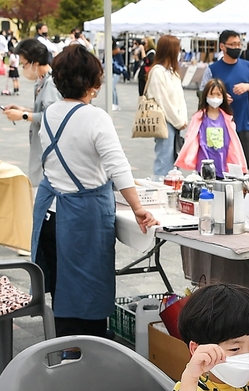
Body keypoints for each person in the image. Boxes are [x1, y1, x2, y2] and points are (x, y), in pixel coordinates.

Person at [31, 44, 158, 338]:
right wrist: (138, 207)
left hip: (50, 213)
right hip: (81, 218)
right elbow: (118, 167)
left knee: (62, 288)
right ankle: (87, 354)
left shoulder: (50, 112)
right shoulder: (95, 117)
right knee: (87, 291)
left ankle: (63, 346)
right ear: (93, 82)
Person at [201, 30, 249, 169]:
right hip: (219, 126)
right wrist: (218, 96)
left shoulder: (248, 67)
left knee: (244, 165)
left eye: (238, 44)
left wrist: (247, 87)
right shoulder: (212, 69)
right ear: (222, 46)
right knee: (222, 166)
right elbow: (202, 93)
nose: (236, 48)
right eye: (232, 44)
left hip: (243, 124)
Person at [3, 39, 61, 186]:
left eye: (24, 64)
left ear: (35, 63)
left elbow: (51, 116)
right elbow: (42, 110)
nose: (23, 68)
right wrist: (23, 110)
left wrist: (22, 116)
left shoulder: (51, 84)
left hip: (49, 147)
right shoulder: (41, 81)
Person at [176, 79, 247, 178]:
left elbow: (233, 143)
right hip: (204, 166)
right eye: (212, 94)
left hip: (223, 165)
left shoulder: (227, 118)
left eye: (218, 94)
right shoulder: (198, 118)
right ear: (205, 96)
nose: (215, 98)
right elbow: (191, 138)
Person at [146, 35, 187, 178]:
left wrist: (182, 119)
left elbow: (180, 98)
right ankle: (159, 192)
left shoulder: (173, 72)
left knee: (174, 163)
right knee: (164, 162)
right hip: (165, 122)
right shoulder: (157, 72)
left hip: (176, 123)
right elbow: (163, 101)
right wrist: (179, 121)